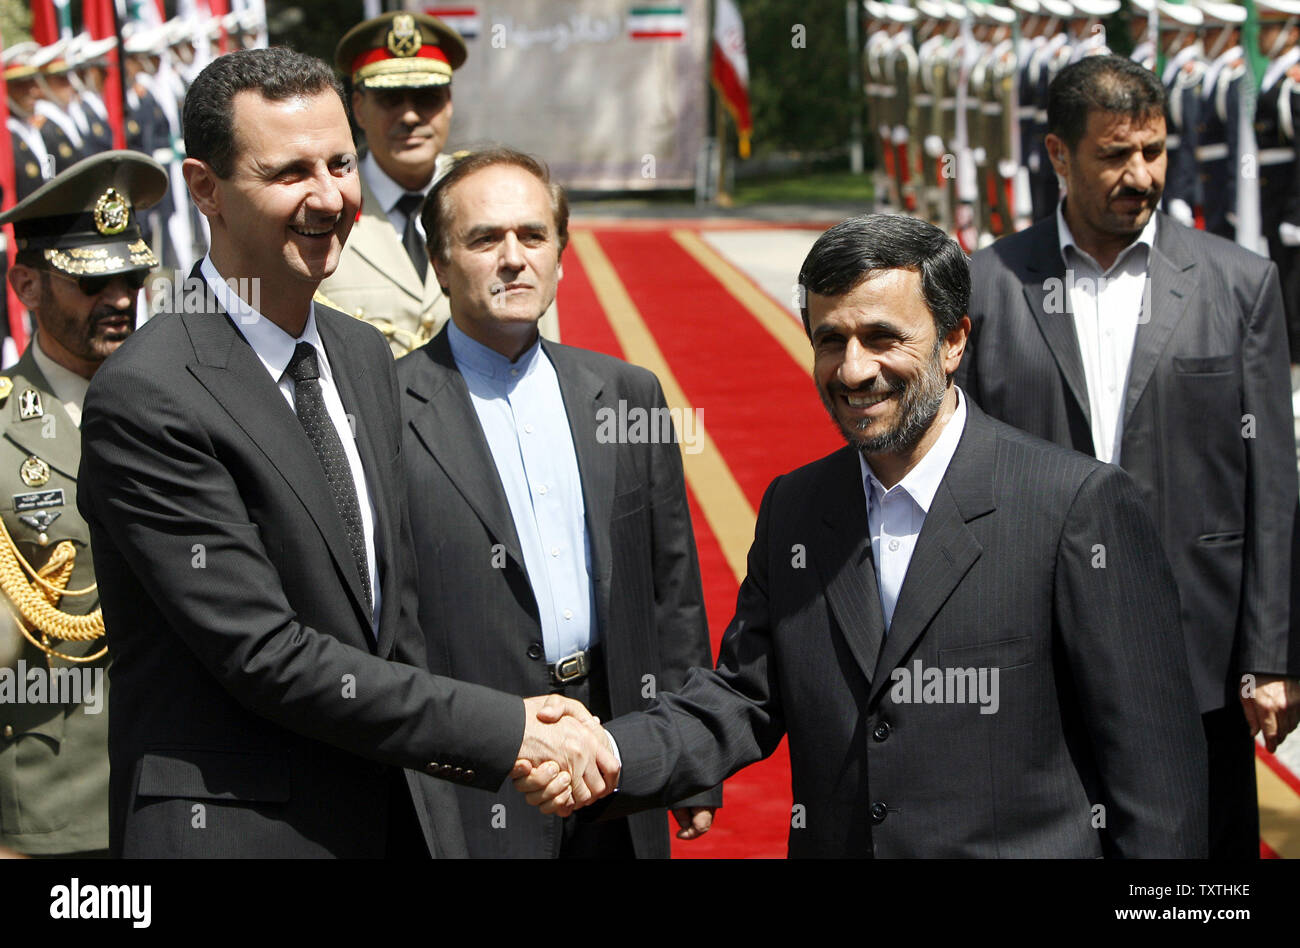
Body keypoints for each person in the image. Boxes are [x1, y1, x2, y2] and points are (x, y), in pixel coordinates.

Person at [518, 213, 1209, 858]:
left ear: (955, 341)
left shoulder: (1076, 507)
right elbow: (743, 697)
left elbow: (1158, 784)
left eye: (883, 338)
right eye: (830, 340)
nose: (853, 370)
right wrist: (608, 753)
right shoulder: (796, 507)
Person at [75, 47, 616, 859]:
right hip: (241, 833)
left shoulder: (359, 354)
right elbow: (264, 653)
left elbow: (391, 617)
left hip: (392, 815)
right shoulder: (149, 392)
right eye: (290, 172)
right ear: (205, 190)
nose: (329, 198)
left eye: (338, 162)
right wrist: (507, 728)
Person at [960, 54, 1300, 859]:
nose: (1140, 174)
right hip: (1038, 648)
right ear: (1056, 155)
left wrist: (1274, 657)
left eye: (1152, 151)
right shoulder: (987, 289)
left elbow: (1274, 490)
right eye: (1115, 154)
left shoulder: (1239, 285)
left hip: (1201, 656)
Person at [396, 148, 719, 858]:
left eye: (533, 236)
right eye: (485, 239)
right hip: (476, 773)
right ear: (441, 263)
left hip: (616, 755)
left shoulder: (628, 394)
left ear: (562, 258)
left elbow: (673, 586)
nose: (514, 258)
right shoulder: (388, 411)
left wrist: (689, 756)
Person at [0, 151, 166, 856]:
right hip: (53, 810)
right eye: (90, 281)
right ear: (26, 284)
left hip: (187, 788)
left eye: (130, 276)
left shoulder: (183, 412)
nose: (120, 298)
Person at [318, 11, 558, 356]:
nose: (411, 116)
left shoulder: (502, 199)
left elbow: (542, 341)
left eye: (426, 97)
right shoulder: (325, 204)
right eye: (390, 99)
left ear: (448, 104)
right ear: (358, 107)